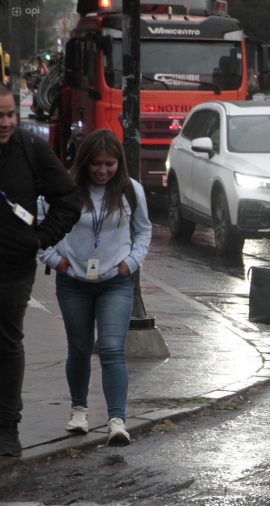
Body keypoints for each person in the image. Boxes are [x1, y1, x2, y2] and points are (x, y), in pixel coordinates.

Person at [39, 129, 152, 446]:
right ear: (85, 162)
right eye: (96, 164)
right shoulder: (65, 190)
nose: (103, 171)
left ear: (119, 164)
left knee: (113, 348)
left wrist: (130, 263)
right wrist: (52, 258)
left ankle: (117, 421)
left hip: (115, 281)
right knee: (78, 347)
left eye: (110, 164)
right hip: (73, 282)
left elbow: (144, 232)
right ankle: (79, 411)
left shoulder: (131, 192)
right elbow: (39, 226)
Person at [0, 84, 80, 458]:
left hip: (13, 267)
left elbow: (68, 198)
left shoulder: (30, 148)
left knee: (7, 342)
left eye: (10, 114)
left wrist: (40, 239)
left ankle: (7, 427)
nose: (6, 122)